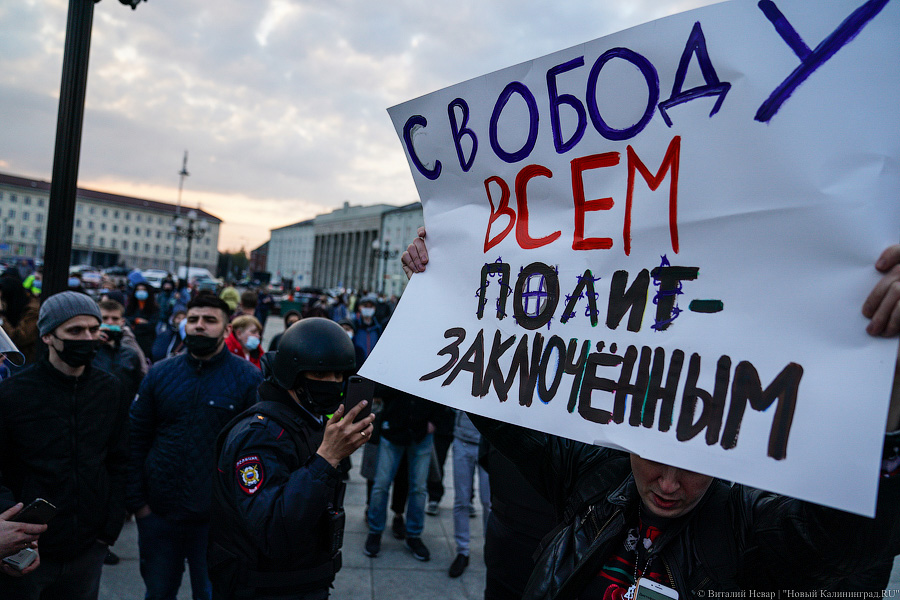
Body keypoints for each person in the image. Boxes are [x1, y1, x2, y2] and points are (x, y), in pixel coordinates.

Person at [404, 231, 900, 594]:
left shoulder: (746, 523)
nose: (667, 483)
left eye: (691, 466)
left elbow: (849, 536)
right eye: (654, 457)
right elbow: (496, 402)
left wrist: (890, 388)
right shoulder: (595, 477)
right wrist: (442, 286)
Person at [209, 317, 375, 600]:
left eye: (338, 375)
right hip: (265, 589)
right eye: (320, 375)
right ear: (292, 375)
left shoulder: (309, 420)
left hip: (301, 581)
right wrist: (327, 458)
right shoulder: (259, 435)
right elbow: (271, 530)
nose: (332, 383)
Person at [127, 292, 263, 600]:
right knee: (158, 592)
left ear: (226, 330)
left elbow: (254, 451)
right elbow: (136, 438)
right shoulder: (160, 374)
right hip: (159, 517)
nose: (199, 326)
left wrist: (240, 513)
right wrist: (139, 505)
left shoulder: (248, 378)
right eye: (193, 319)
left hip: (216, 524)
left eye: (209, 320)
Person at [0, 291, 129, 599]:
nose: (87, 338)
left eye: (93, 329)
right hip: (28, 546)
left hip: (87, 549)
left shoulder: (110, 389)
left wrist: (109, 529)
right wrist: (11, 526)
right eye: (75, 331)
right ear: (48, 336)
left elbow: (120, 459)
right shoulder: (14, 394)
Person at [364, 386, 442, 562]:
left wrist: (435, 420)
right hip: (394, 428)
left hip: (420, 431)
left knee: (418, 488)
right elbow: (378, 389)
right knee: (381, 484)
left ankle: (413, 534)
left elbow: (442, 390)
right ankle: (376, 531)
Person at [448, 410, 491, 578]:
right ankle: (462, 551)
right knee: (462, 501)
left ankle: (491, 549)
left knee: (489, 502)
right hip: (463, 440)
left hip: (489, 443)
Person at [94, 299, 146, 404]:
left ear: (122, 322)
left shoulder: (130, 353)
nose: (110, 322)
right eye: (105, 318)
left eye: (115, 319)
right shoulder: (89, 351)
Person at [0, 271, 40, 364]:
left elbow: (19, 338)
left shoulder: (33, 311)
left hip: (24, 360)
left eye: (2, 299)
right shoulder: (12, 307)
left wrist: (1, 317)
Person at [125, 282, 160, 358]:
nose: (141, 292)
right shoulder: (131, 306)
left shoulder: (154, 307)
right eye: (138, 290)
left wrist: (136, 325)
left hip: (147, 340)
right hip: (133, 338)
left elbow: (152, 324)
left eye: (143, 290)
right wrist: (137, 320)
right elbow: (127, 320)